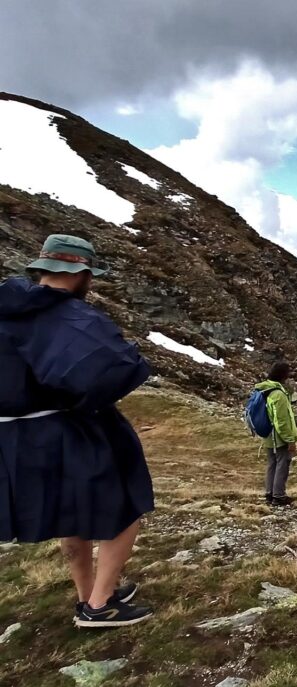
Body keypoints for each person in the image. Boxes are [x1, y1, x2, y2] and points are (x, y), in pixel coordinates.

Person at [0, 234, 155, 627]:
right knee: (125, 505)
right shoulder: (73, 318)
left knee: (71, 514)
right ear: (83, 273)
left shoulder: (6, 309)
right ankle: (101, 605)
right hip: (69, 430)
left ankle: (87, 594)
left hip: (16, 438)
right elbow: (116, 368)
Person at [256, 362, 297, 507]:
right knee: (283, 463)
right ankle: (279, 496)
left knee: (272, 464)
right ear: (283, 375)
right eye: (288, 372)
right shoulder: (279, 394)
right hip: (278, 437)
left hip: (267, 435)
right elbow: (281, 420)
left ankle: (270, 494)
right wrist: (290, 440)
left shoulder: (265, 390)